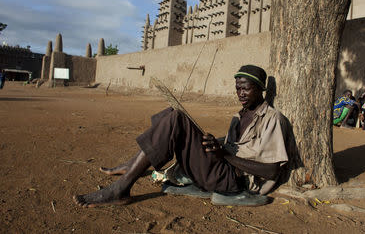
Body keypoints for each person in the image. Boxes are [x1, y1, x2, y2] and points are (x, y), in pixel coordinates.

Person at [73, 65, 290, 208]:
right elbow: (235, 145)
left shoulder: (272, 119)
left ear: (260, 89)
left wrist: (223, 153)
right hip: (220, 167)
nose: (241, 94)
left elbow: (272, 170)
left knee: (177, 119)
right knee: (172, 114)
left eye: (247, 89)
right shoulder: (239, 116)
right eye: (237, 89)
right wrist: (214, 142)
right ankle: (132, 166)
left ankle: (121, 188)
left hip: (234, 181)